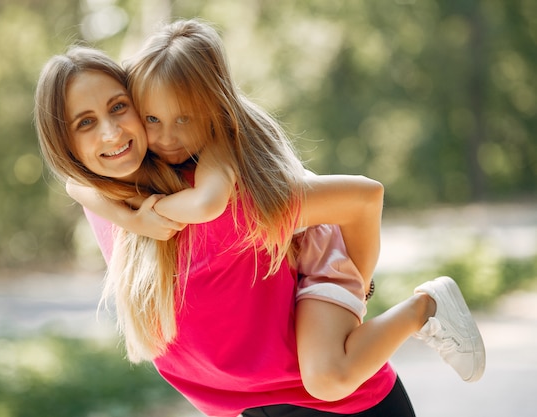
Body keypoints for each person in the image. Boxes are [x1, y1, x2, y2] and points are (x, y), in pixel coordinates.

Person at [34, 20, 485, 417]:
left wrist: (357, 282)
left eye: (117, 108)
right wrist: (132, 218)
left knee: (327, 374)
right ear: (63, 141)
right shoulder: (109, 201)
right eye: (84, 122)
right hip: (250, 411)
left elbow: (364, 198)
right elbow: (78, 184)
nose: (112, 133)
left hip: (339, 409)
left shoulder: (223, 196)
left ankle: (426, 306)